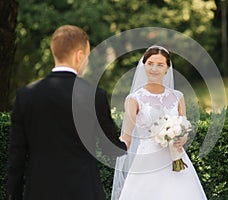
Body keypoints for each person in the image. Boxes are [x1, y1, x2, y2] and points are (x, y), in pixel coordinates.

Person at [7, 25, 127, 200]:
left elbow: (16, 156)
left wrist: (13, 195)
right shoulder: (94, 95)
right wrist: (125, 143)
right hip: (84, 192)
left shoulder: (26, 95)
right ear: (79, 55)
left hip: (40, 192)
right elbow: (111, 150)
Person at [111, 45, 207, 199]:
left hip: (175, 159)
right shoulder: (134, 99)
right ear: (144, 65)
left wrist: (181, 139)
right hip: (146, 161)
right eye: (150, 63)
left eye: (160, 65)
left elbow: (184, 130)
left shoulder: (178, 97)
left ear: (167, 68)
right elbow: (127, 137)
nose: (154, 69)